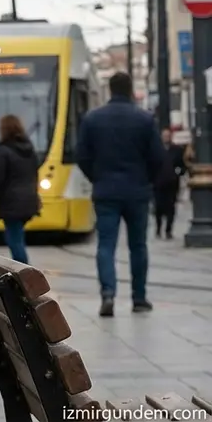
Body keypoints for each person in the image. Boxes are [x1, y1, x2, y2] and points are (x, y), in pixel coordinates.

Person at [77, 71, 164, 318]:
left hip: (106, 190)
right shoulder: (145, 119)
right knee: (138, 246)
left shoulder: (93, 119)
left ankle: (108, 293)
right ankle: (139, 298)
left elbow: (82, 156)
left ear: (111, 90)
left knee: (106, 244)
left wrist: (98, 177)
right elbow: (158, 157)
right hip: (137, 191)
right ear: (129, 90)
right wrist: (146, 179)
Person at [0, 114, 41, 264]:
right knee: (17, 236)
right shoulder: (30, 149)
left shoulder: (3, 150)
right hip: (29, 199)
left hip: (11, 202)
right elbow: (34, 174)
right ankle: (23, 271)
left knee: (14, 239)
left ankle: (23, 273)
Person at [154, 128, 187, 239]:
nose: (166, 138)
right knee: (158, 207)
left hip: (172, 183)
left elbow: (181, 166)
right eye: (164, 136)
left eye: (168, 136)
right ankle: (158, 228)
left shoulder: (177, 150)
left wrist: (176, 172)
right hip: (158, 183)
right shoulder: (156, 149)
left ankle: (168, 230)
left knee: (171, 207)